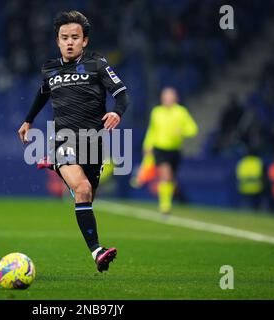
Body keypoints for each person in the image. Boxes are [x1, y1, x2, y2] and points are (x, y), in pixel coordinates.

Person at [17, 11, 130, 273]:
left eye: (75, 37)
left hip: (94, 142)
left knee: (87, 191)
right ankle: (97, 251)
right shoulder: (49, 68)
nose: (69, 42)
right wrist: (28, 120)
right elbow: (42, 94)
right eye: (64, 37)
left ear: (85, 41)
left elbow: (122, 94)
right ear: (57, 41)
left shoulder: (98, 64)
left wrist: (117, 112)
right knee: (81, 189)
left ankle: (55, 166)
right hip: (64, 139)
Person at [142, 87, 198, 216]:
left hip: (175, 150)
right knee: (165, 176)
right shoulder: (157, 112)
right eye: (165, 96)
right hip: (160, 148)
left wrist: (182, 131)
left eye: (170, 96)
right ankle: (165, 206)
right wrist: (147, 145)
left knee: (171, 179)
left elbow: (193, 129)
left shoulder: (181, 112)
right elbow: (152, 130)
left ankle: (172, 199)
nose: (167, 99)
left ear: (175, 98)